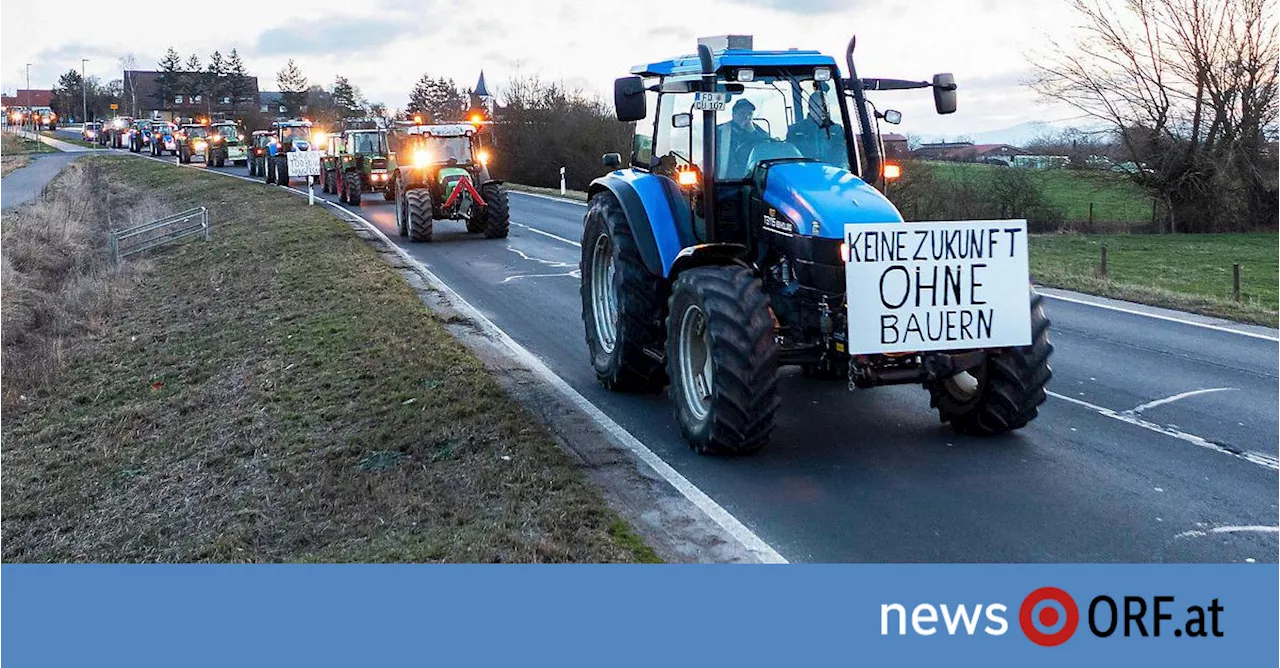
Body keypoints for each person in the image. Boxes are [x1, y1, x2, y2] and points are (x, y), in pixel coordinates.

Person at [787, 91, 847, 165]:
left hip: (832, 171)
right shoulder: (795, 130)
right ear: (809, 107)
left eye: (824, 106)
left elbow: (842, 157)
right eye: (817, 106)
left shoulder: (837, 130)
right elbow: (791, 158)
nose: (821, 110)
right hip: (803, 172)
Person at [719, 98, 770, 179]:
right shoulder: (720, 131)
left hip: (752, 179)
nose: (746, 117)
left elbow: (766, 151)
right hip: (724, 180)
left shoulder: (760, 134)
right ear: (733, 114)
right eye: (742, 113)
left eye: (750, 114)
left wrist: (753, 133)